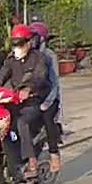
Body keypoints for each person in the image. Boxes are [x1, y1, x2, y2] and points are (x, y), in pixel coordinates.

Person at [0, 24, 50, 179]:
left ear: (29, 42)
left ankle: (32, 161)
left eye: (20, 43)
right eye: (14, 43)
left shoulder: (39, 58)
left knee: (21, 122)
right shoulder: (10, 60)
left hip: (34, 100)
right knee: (1, 123)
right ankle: (10, 161)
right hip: (15, 100)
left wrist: (28, 89)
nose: (17, 47)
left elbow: (40, 77)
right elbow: (0, 79)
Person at [28, 22, 63, 173]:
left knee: (48, 119)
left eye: (33, 37)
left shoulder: (49, 56)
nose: (30, 41)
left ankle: (54, 154)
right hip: (31, 96)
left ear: (41, 39)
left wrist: (48, 102)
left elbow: (55, 83)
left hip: (49, 97)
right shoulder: (27, 55)